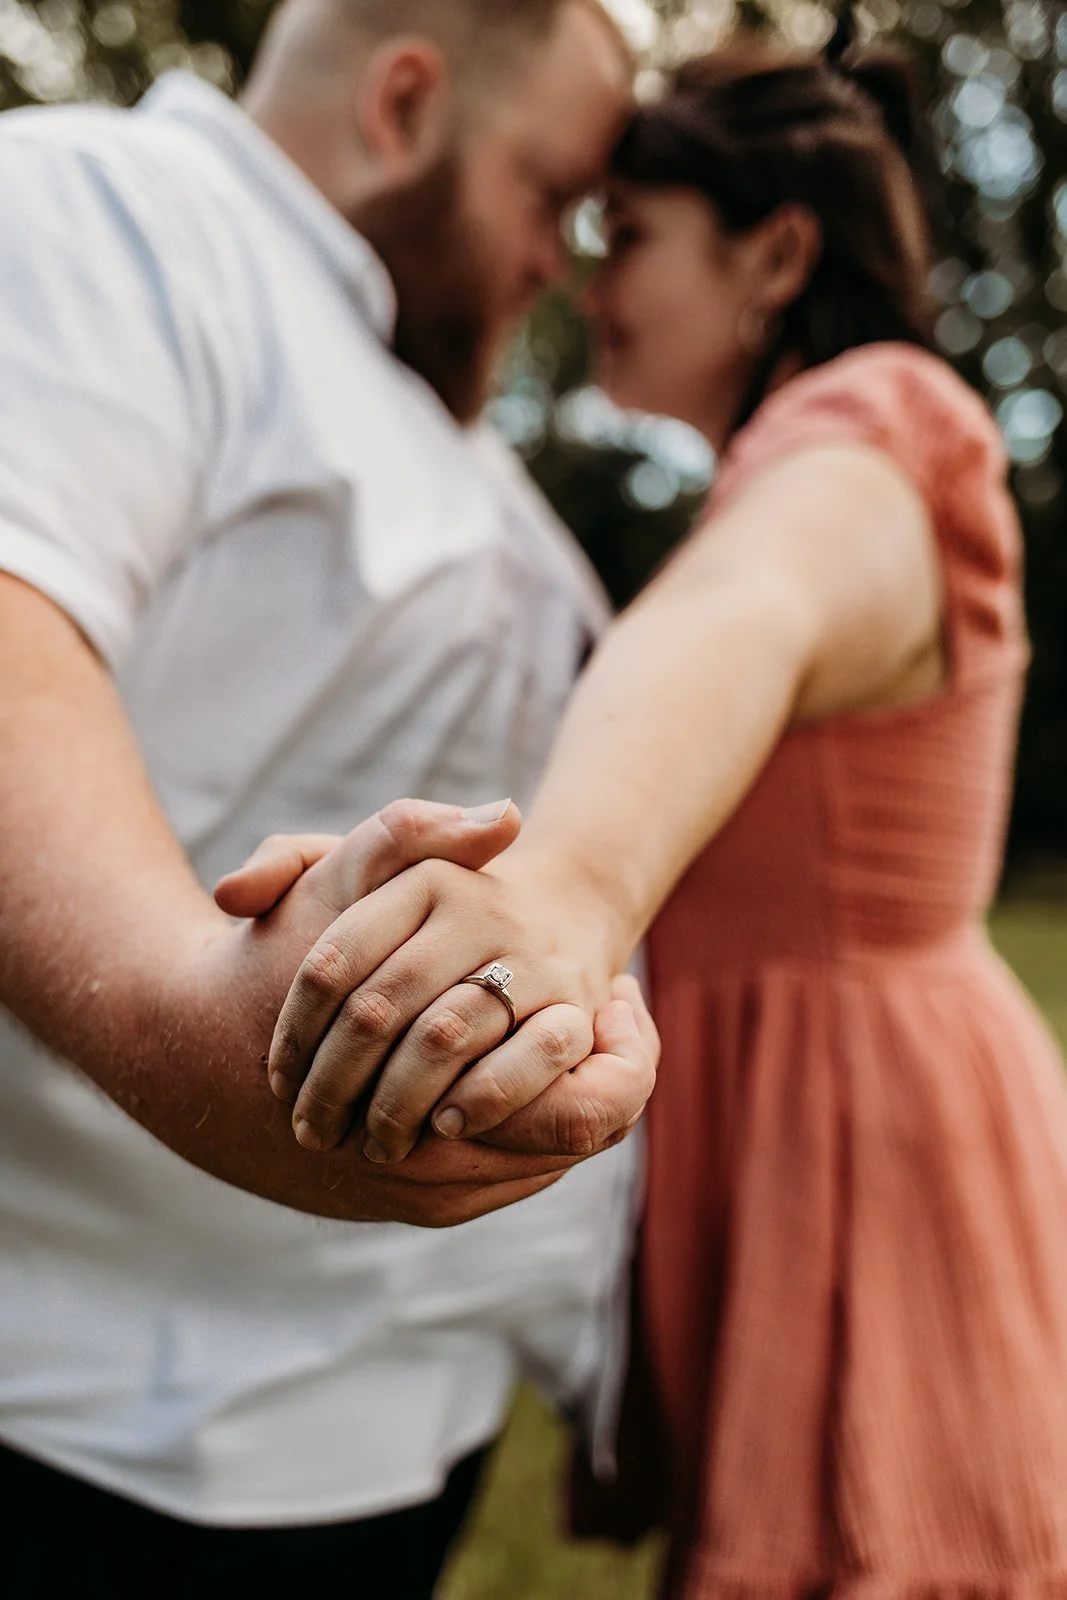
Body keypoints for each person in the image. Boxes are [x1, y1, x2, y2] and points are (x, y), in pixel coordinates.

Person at [248, 28, 1067, 1594]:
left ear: (772, 253)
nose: (580, 276)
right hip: (807, 1110)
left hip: (871, 1140)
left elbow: (744, 617)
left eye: (625, 236)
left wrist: (557, 896)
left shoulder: (878, 427)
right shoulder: (782, 458)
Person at [0, 2, 659, 1594]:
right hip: (111, 1442)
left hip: (383, 1422)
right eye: (549, 194)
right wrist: (225, 1033)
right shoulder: (107, 212)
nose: (562, 262)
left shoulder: (447, 440)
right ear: (407, 102)